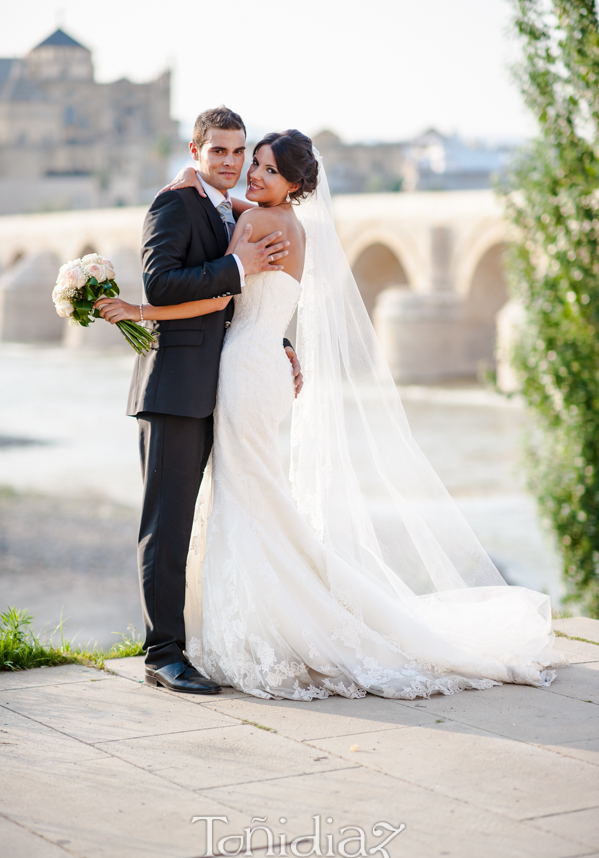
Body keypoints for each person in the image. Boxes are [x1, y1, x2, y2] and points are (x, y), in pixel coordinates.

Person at [98, 128, 565, 701]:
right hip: (254, 365)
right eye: (239, 159)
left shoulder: (253, 224)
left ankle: (214, 639)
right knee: (252, 499)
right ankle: (221, 633)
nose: (249, 172)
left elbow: (222, 297)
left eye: (260, 164)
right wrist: (279, 340)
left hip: (244, 371)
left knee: (246, 500)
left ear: (292, 183)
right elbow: (246, 267)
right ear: (197, 151)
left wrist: (137, 309)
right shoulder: (281, 220)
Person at [107, 107, 302, 695]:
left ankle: (199, 639)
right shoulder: (173, 204)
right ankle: (162, 654)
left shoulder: (226, 209)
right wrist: (234, 267)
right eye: (218, 151)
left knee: (202, 523)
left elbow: (240, 302)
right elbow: (160, 283)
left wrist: (278, 340)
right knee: (167, 525)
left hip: (219, 387)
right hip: (174, 387)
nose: (231, 162)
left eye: (238, 152)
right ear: (195, 150)